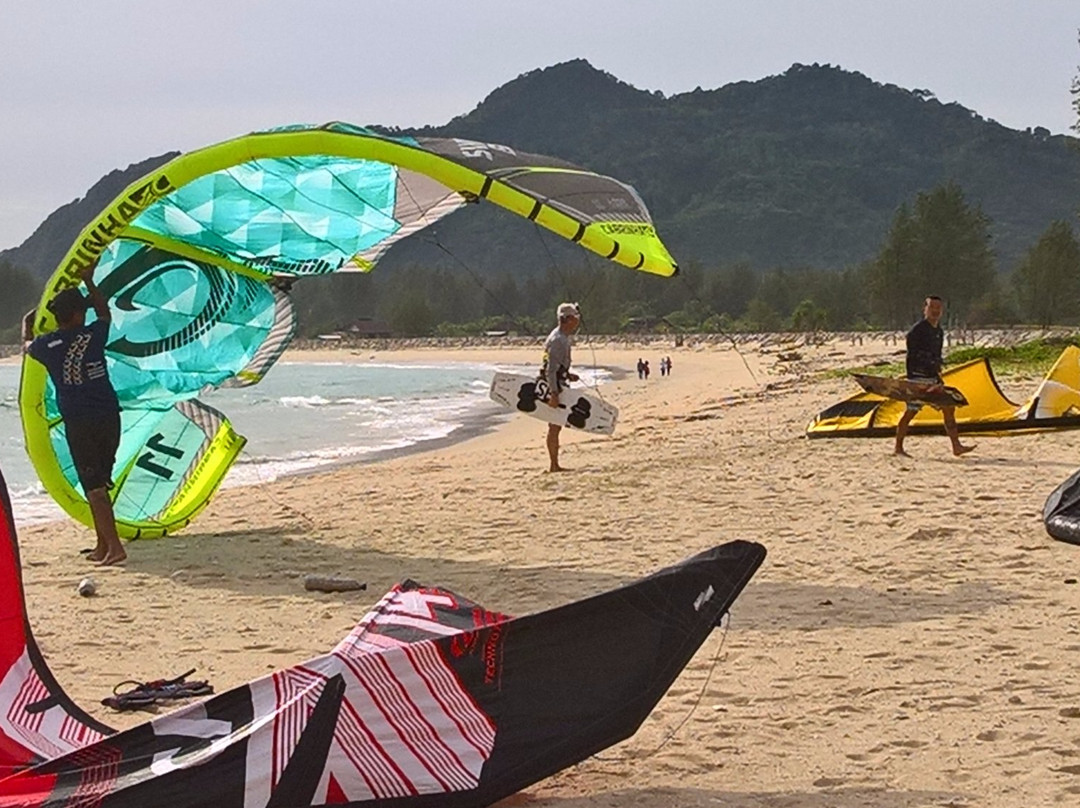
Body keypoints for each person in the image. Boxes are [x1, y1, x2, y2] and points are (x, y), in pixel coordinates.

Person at [23, 262, 126, 565]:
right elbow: (104, 311)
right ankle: (102, 545)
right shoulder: (94, 334)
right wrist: (89, 281)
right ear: (80, 315)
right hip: (109, 418)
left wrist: (29, 322)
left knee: (94, 488)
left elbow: (27, 344)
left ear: (58, 317)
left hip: (81, 423)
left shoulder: (47, 345)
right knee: (99, 484)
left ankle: (115, 548)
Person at [894, 296, 975, 458]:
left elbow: (936, 355)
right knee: (911, 412)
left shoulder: (938, 331)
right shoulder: (917, 330)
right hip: (918, 378)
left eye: (938, 308)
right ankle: (898, 448)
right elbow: (913, 354)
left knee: (949, 407)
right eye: (932, 308)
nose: (935, 311)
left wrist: (938, 371)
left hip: (933, 377)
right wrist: (917, 374)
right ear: (925, 309)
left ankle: (956, 446)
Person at [541, 302, 581, 472]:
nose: (577, 321)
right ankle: (553, 465)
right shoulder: (558, 340)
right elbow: (550, 369)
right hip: (554, 385)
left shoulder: (560, 336)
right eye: (575, 317)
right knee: (554, 426)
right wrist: (554, 394)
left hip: (558, 381)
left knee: (556, 426)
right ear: (567, 319)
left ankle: (555, 464)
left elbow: (556, 366)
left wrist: (568, 374)